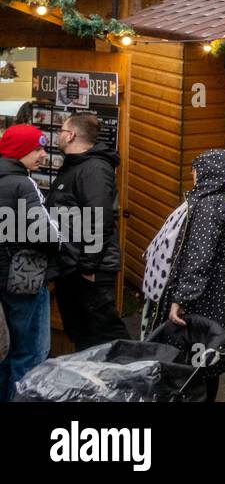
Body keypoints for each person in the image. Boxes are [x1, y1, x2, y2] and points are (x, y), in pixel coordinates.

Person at [157, 149, 225, 402]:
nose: (193, 174)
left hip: (204, 301)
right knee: (210, 358)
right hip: (224, 297)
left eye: (196, 168)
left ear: (210, 172)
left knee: (193, 362)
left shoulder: (207, 207)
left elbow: (199, 257)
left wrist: (180, 299)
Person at [47, 112, 127, 351]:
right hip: (72, 267)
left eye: (61, 130)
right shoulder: (75, 166)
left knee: (103, 336)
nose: (58, 134)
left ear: (71, 135)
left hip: (88, 270)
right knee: (84, 335)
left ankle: (131, 379)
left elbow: (99, 218)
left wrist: (88, 266)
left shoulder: (93, 168)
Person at [0, 125, 57, 402]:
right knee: (30, 352)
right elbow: (44, 234)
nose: (43, 155)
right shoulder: (24, 183)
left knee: (4, 351)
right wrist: (59, 243)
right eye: (37, 149)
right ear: (20, 151)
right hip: (24, 278)